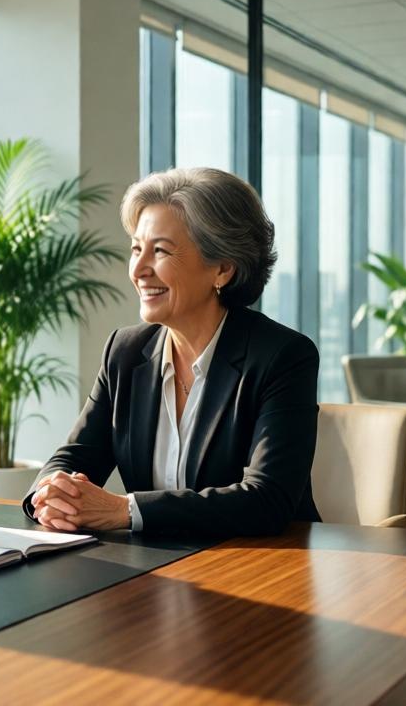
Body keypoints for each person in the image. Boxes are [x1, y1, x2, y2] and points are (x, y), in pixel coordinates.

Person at [25, 167, 320, 537]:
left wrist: (125, 510)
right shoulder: (125, 352)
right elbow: (75, 455)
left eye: (160, 250)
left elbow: (267, 499)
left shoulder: (282, 356)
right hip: (156, 568)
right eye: (136, 249)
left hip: (262, 567)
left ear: (223, 269)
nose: (139, 269)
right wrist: (51, 493)